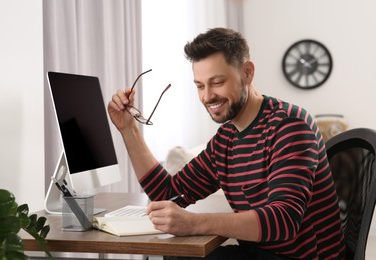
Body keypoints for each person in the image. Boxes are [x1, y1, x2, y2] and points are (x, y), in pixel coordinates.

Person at [107, 27, 345, 259]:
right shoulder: (226, 140)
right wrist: (128, 130)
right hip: (258, 253)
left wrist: (193, 223)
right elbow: (169, 194)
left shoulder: (289, 125)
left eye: (217, 82)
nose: (207, 96)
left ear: (248, 73)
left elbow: (283, 220)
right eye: (200, 86)